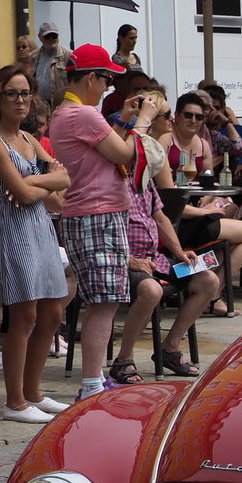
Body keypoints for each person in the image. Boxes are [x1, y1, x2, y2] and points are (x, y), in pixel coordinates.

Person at [0, 66, 72, 421]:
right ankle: (14, 401)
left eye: (25, 93)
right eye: (12, 93)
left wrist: (42, 184)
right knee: (24, 313)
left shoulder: (30, 140)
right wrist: (47, 180)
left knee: (52, 310)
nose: (20, 101)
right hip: (8, 226)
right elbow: (27, 191)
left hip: (38, 225)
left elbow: (57, 191)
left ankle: (33, 391)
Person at [48, 43, 146, 400]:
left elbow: (105, 150)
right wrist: (144, 122)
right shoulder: (84, 115)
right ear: (91, 77)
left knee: (102, 302)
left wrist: (122, 119)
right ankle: (91, 383)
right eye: (106, 79)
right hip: (98, 214)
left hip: (89, 213)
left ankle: (94, 378)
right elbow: (123, 153)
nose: (108, 87)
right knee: (104, 303)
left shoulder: (66, 113)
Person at [119, 103, 220, 379]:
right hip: (125, 261)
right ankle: (123, 358)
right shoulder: (111, 181)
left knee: (209, 281)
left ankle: (170, 348)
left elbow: (161, 219)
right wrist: (129, 260)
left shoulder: (144, 179)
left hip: (155, 259)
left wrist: (180, 251)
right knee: (151, 291)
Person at [159, 91, 242, 300]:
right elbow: (168, 201)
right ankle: (213, 293)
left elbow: (207, 187)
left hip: (196, 215)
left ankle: (210, 290)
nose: (194, 120)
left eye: (199, 117)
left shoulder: (202, 144)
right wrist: (205, 210)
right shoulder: (165, 142)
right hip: (175, 220)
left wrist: (210, 205)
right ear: (176, 116)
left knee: (231, 235)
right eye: (188, 115)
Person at [32, 21, 72, 106]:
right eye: (47, 36)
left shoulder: (68, 55)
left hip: (60, 105)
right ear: (40, 37)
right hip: (39, 105)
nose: (51, 39)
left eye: (54, 36)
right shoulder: (33, 56)